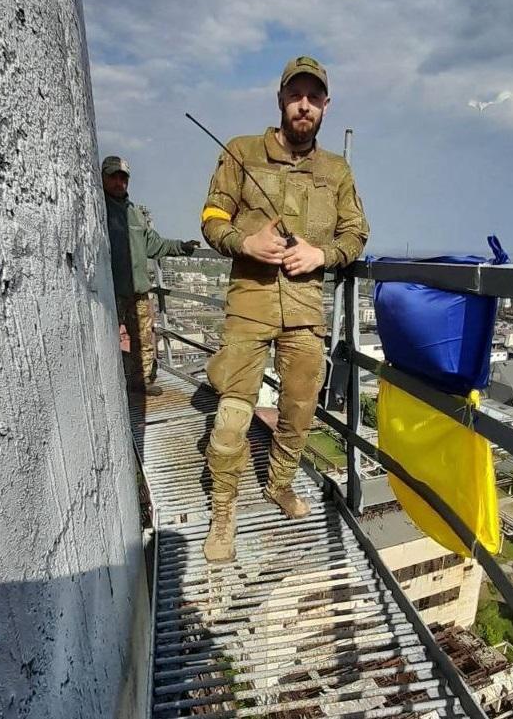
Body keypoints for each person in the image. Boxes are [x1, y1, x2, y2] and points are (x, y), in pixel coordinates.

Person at [200, 56, 369, 562]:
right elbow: (212, 217)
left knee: (298, 409)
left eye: (314, 98)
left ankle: (278, 483)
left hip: (304, 310)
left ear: (325, 106)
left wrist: (324, 254)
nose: (304, 105)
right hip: (249, 305)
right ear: (280, 99)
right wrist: (244, 242)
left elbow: (355, 233)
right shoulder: (241, 151)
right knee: (232, 414)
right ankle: (223, 510)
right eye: (296, 95)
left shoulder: (336, 171)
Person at [101, 155, 200, 396]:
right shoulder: (97, 208)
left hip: (138, 290)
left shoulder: (135, 213)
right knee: (105, 341)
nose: (118, 183)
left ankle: (141, 382)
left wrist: (181, 247)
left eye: (123, 178)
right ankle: (109, 388)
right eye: (113, 177)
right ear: (102, 177)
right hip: (110, 292)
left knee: (144, 339)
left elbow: (154, 245)